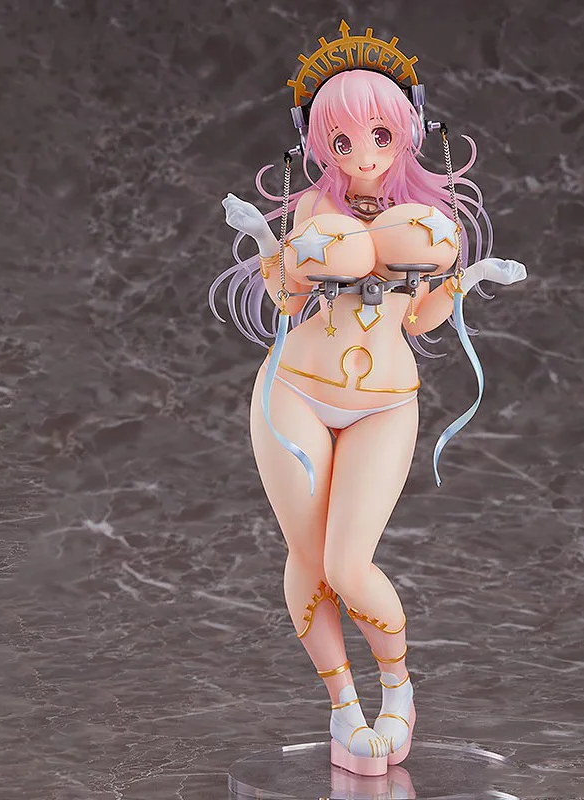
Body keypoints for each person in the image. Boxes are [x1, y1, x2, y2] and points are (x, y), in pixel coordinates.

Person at [210, 22, 527, 776]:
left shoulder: (423, 220)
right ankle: (343, 709)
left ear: (408, 133)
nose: (363, 155)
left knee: (349, 563)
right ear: (317, 142)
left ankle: (397, 689)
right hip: (294, 392)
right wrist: (267, 243)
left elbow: (418, 319)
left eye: (380, 136)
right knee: (308, 557)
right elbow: (288, 302)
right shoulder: (314, 212)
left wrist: (467, 279)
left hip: (384, 401)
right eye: (343, 140)